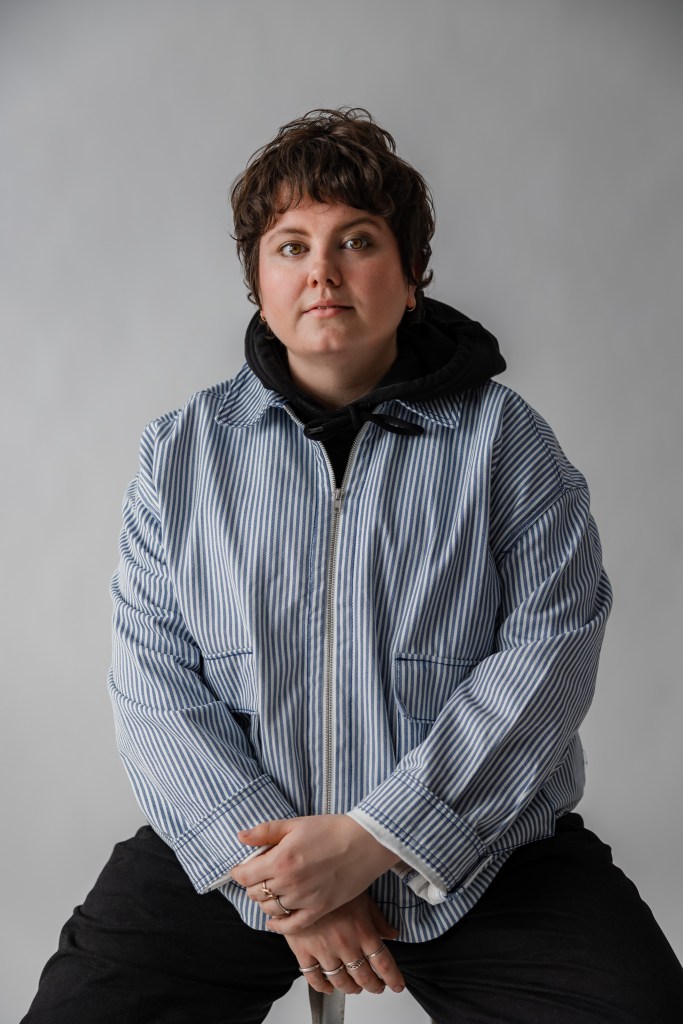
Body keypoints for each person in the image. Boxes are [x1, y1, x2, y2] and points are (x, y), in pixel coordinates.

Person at [23, 107, 683, 1024]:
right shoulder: (178, 457)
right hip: (236, 858)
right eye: (290, 245)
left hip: (482, 856)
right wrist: (292, 886)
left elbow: (551, 653)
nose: (322, 271)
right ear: (257, 281)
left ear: (411, 278)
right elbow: (153, 689)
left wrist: (377, 838)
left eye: (357, 240)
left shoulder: (504, 443)